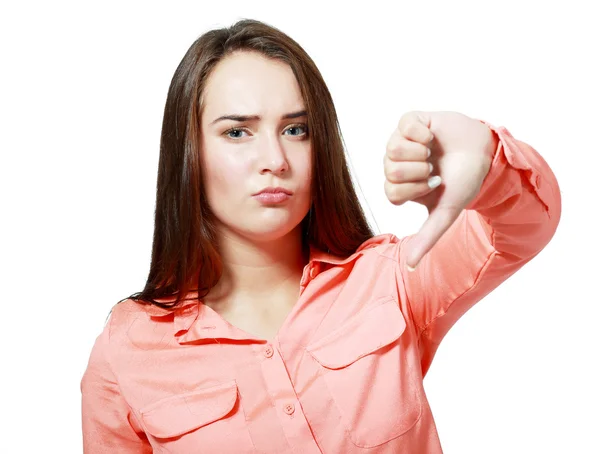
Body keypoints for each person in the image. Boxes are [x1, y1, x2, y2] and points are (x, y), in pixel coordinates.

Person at [80, 18, 561, 454]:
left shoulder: (389, 280)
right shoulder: (128, 350)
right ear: (189, 152)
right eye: (237, 133)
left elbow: (522, 228)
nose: (275, 159)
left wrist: (487, 155)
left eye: (295, 129)